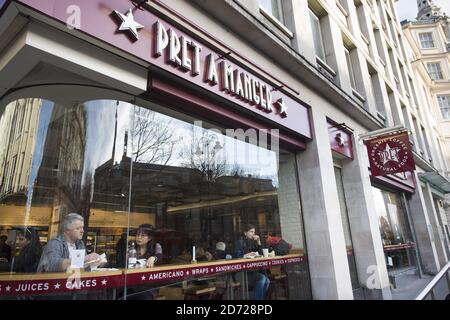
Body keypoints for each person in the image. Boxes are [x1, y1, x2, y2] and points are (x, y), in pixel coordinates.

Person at [37, 213, 101, 272]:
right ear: (67, 230)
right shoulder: (55, 243)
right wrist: (84, 259)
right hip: (52, 282)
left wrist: (94, 263)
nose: (82, 231)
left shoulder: (80, 243)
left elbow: (82, 267)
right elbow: (52, 265)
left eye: (82, 227)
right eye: (78, 228)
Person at [234, 224, 270, 300]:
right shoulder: (240, 242)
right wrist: (245, 255)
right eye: (251, 231)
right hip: (240, 272)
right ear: (245, 233)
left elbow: (261, 254)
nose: (253, 233)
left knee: (267, 281)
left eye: (254, 232)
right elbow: (236, 255)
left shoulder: (252, 242)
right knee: (262, 279)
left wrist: (258, 241)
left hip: (250, 271)